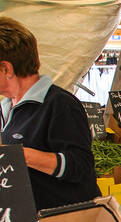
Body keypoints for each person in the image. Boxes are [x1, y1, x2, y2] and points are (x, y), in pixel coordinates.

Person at [0, 17, 100, 210]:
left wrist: (19, 156)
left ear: (6, 69)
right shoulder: (6, 107)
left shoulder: (60, 104)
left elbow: (81, 165)